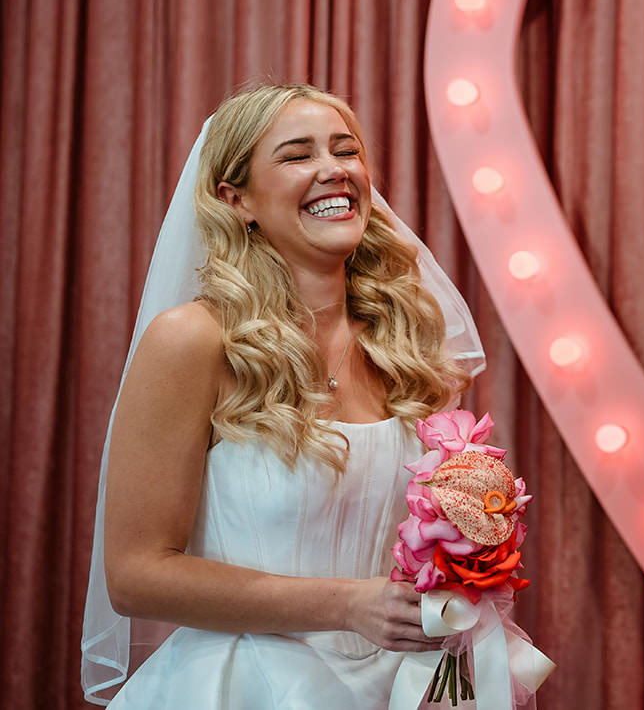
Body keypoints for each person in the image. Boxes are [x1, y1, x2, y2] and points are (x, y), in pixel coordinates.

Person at [81, 83, 486, 707]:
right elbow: (135, 577)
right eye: (297, 155)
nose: (335, 170)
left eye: (346, 150)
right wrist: (347, 605)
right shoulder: (193, 340)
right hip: (244, 686)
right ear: (235, 198)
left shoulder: (407, 345)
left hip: (397, 686)